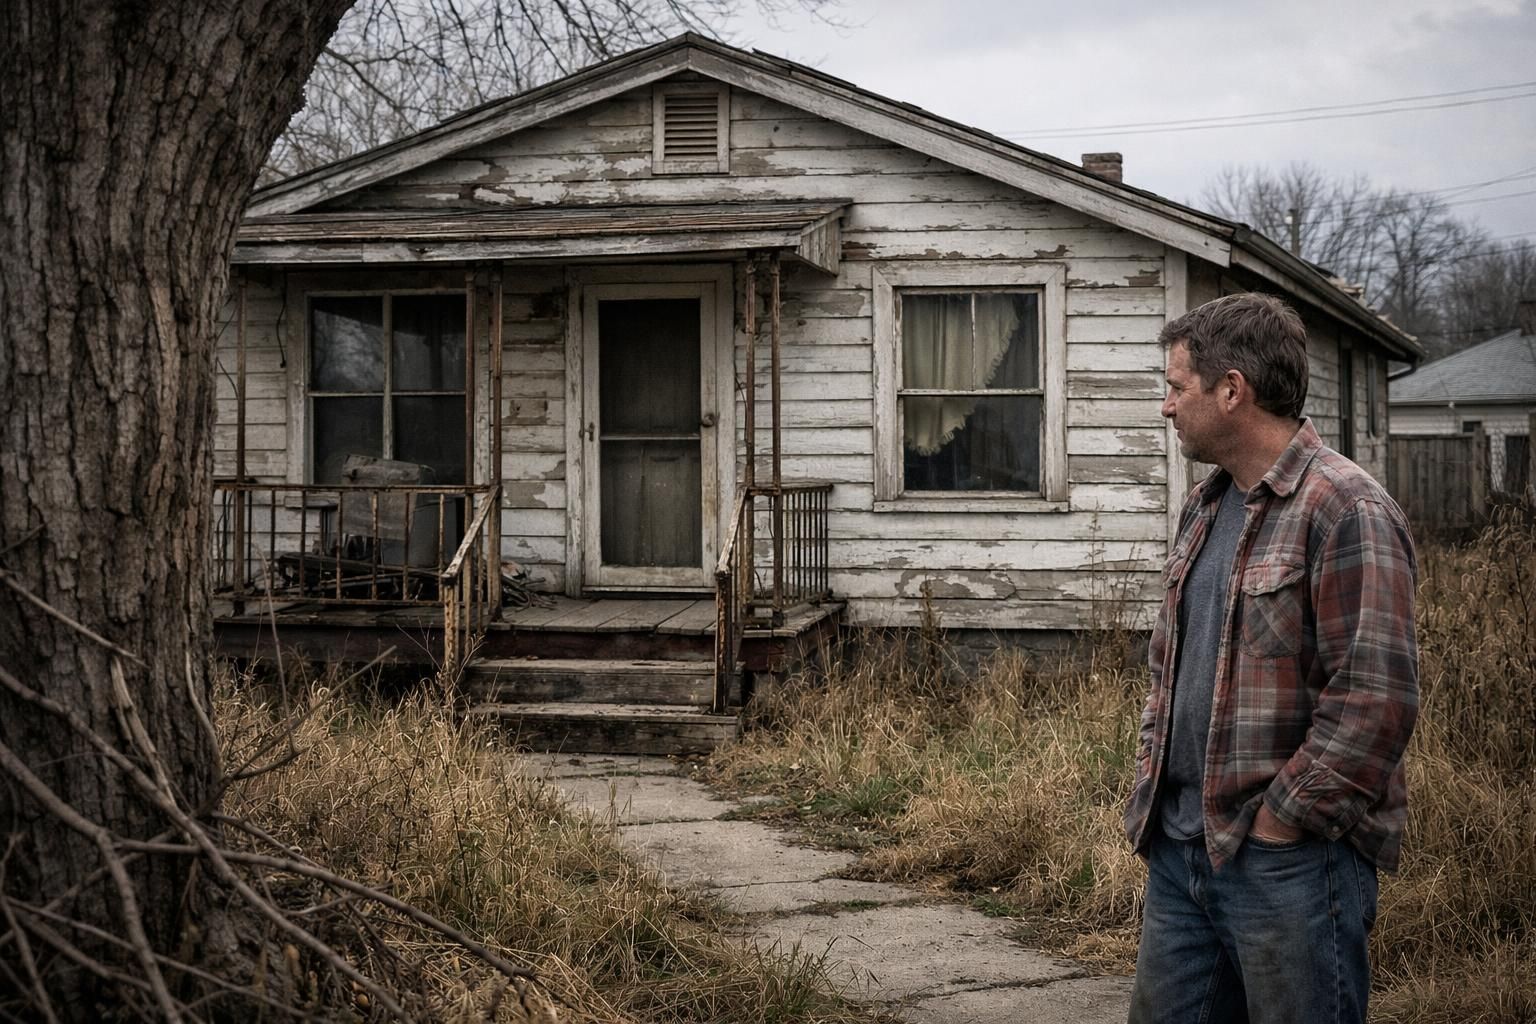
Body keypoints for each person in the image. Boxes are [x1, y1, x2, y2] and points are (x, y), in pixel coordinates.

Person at [1124, 292, 1419, 1024]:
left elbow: (1374, 698)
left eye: (1175, 386)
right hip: (1181, 850)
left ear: (1232, 391)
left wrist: (1281, 822)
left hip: (1290, 864)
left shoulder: (1346, 508)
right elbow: (1170, 668)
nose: (1166, 406)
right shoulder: (1206, 506)